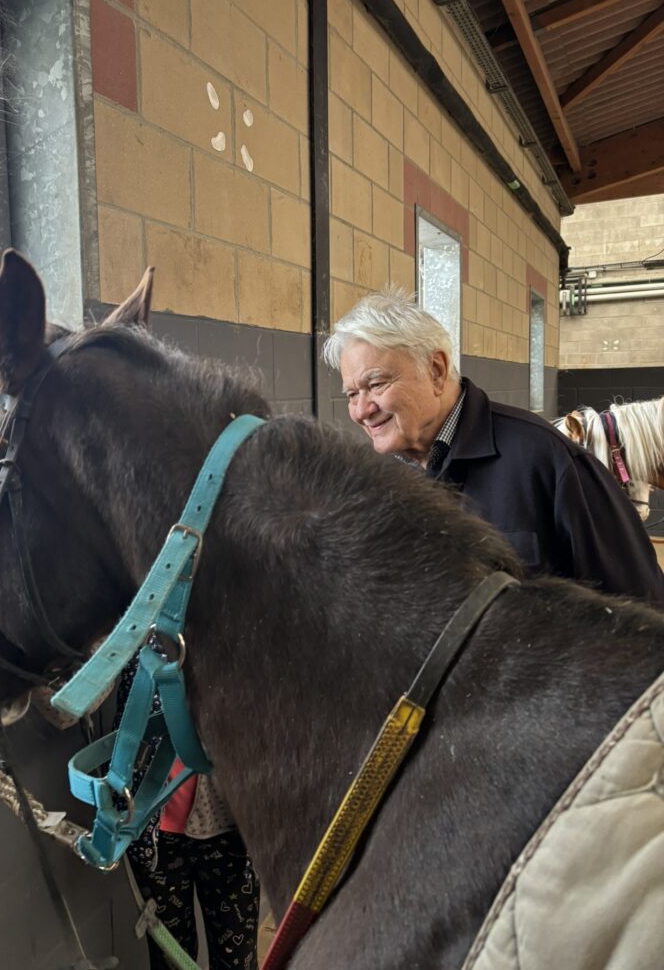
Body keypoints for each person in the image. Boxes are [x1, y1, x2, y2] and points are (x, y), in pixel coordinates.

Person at [322, 289, 664, 607]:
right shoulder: (377, 481)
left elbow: (641, 613)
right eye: (352, 394)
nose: (361, 410)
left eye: (376, 384)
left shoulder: (549, 460)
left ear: (437, 370)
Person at [115, 652, 260, 970]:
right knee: (170, 963)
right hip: (154, 839)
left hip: (230, 834)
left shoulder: (235, 633)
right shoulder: (135, 631)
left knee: (238, 962)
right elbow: (67, 710)